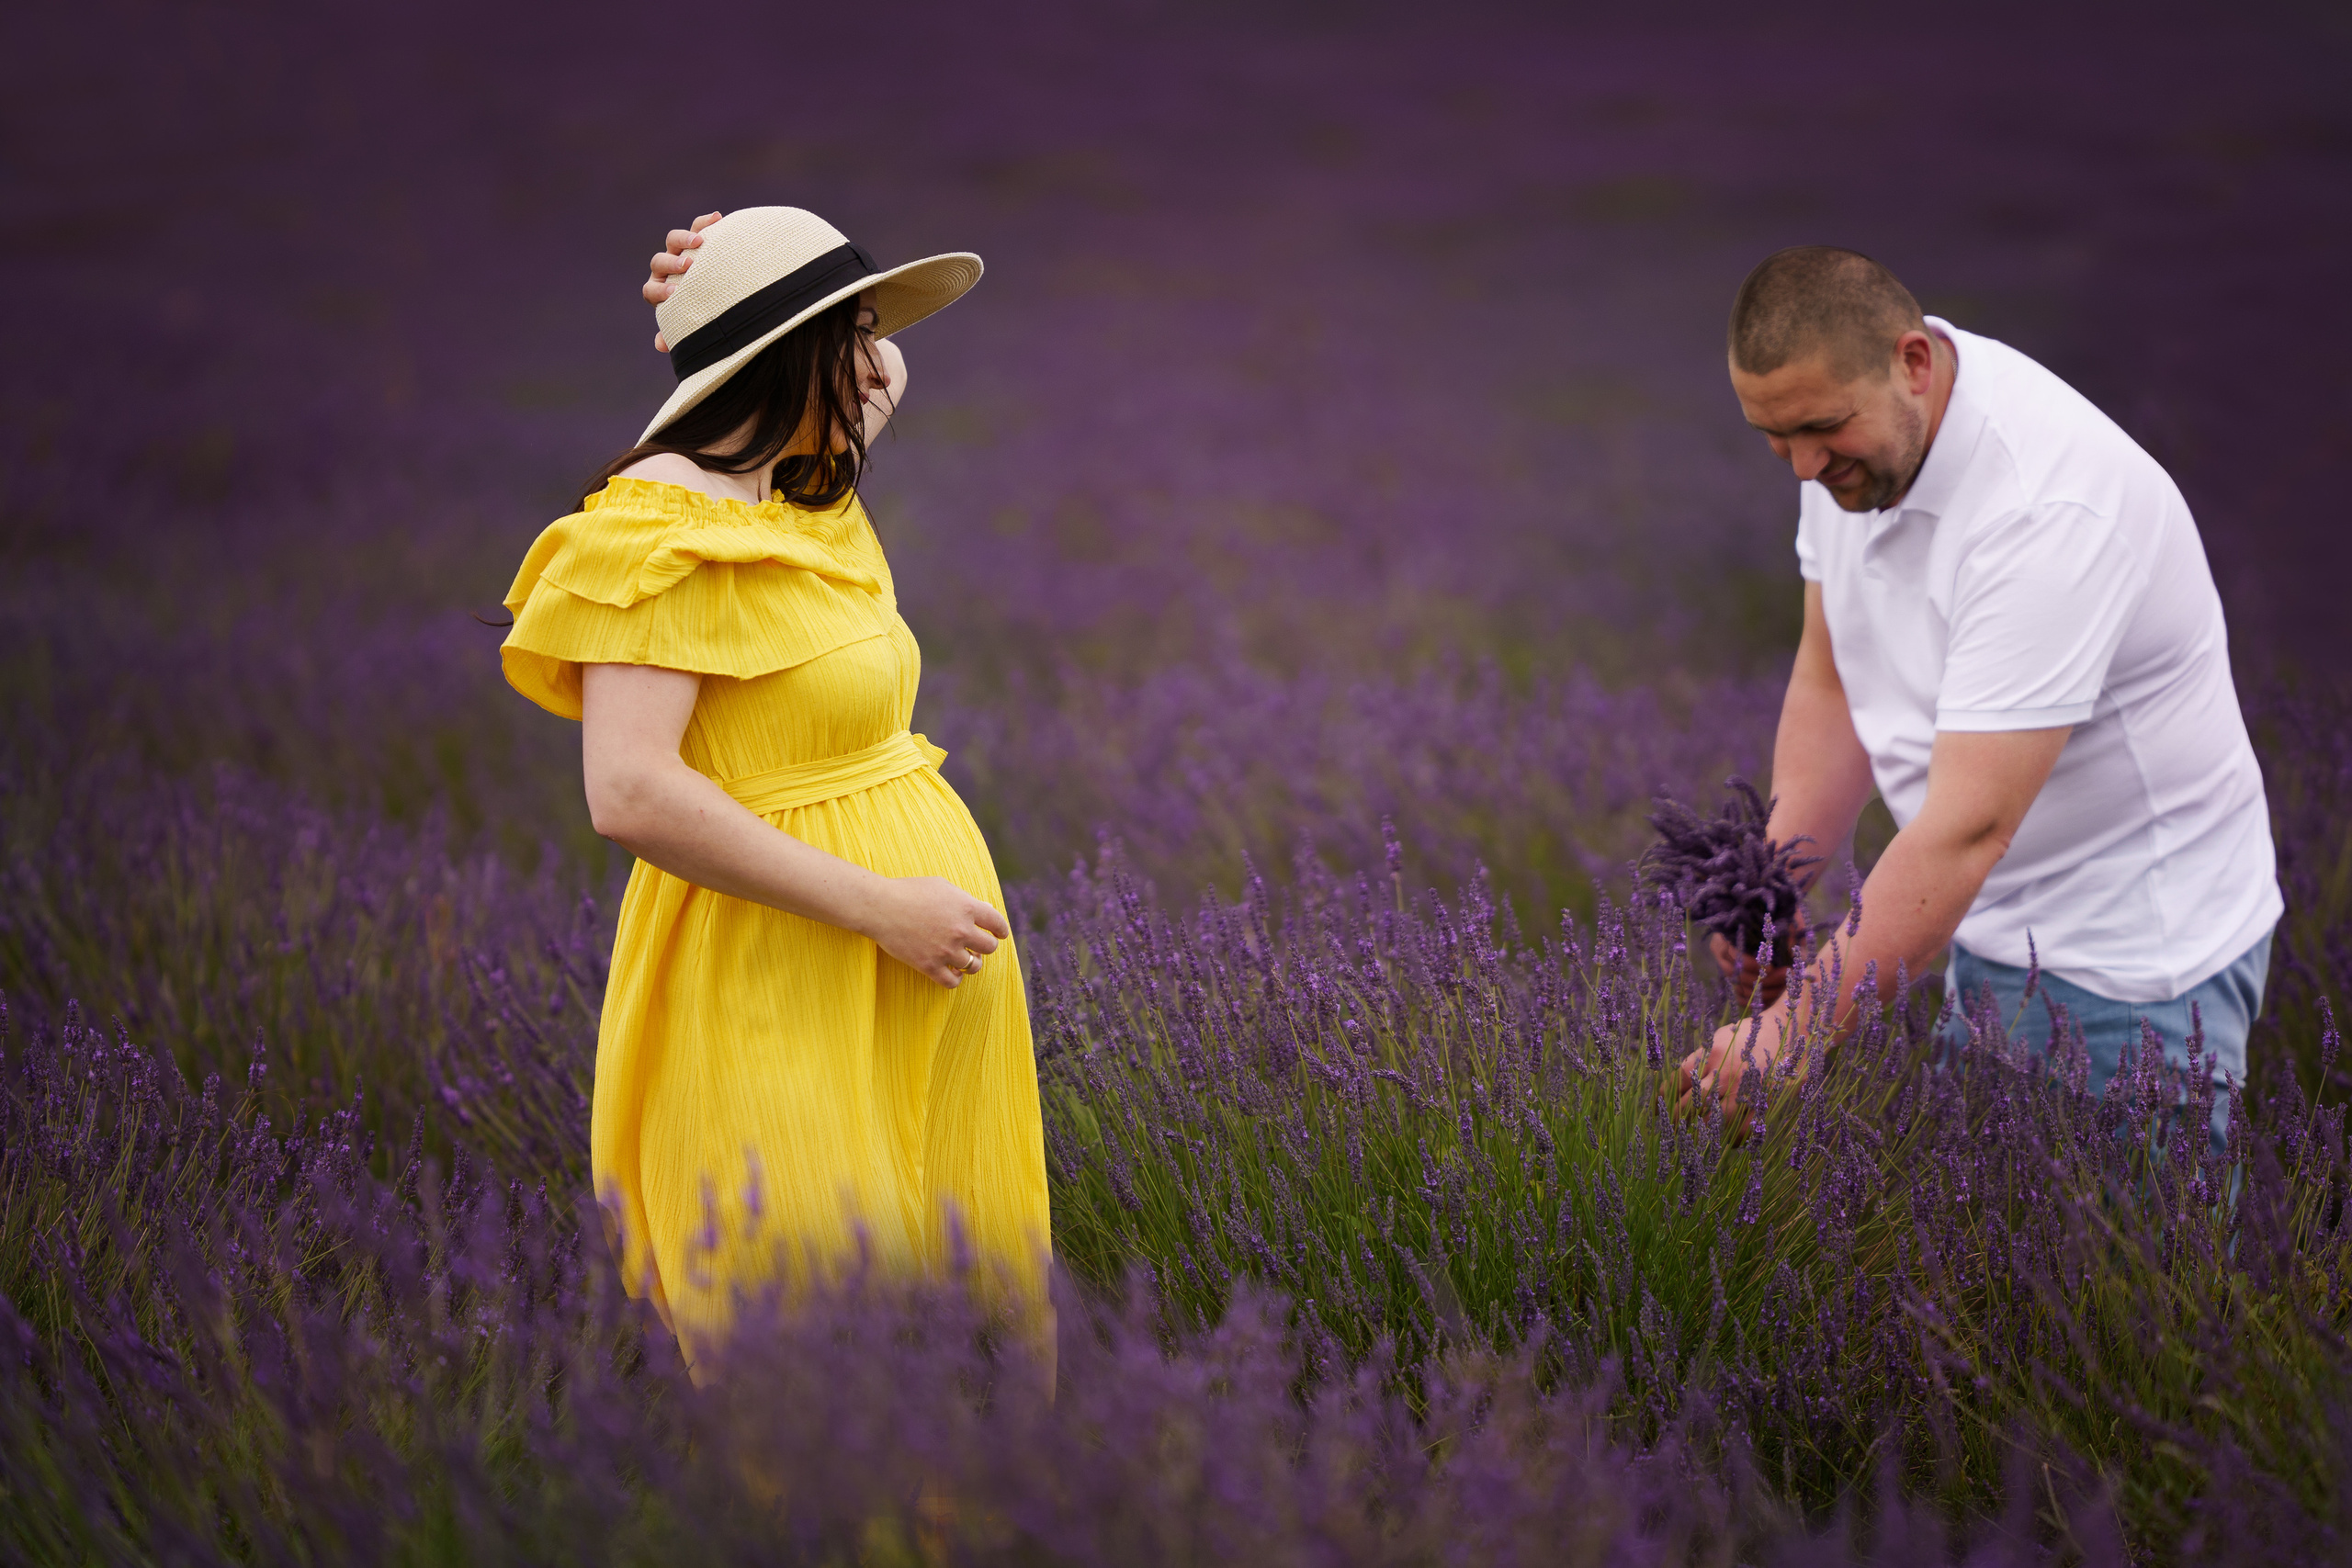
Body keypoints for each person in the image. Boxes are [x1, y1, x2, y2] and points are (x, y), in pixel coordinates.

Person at [500, 206, 1052, 1365]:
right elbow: (631, 794)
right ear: (786, 358)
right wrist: (882, 907)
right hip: (784, 962)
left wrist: (719, 280)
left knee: (974, 1311)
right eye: (848, 336)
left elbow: (887, 362)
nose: (877, 363)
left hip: (922, 971)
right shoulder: (654, 538)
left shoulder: (806, 487)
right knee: (811, 1319)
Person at [1680, 247, 2279, 1145]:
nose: (1801, 467)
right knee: (1990, 1261)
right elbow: (1833, 672)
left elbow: (1969, 827)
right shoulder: (1858, 448)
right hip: (1982, 923)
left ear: (1911, 364)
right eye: (1773, 436)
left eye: (1819, 429)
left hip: (2131, 967)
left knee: (2125, 1282)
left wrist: (1794, 1029)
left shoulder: (2045, 513)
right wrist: (1770, 882)